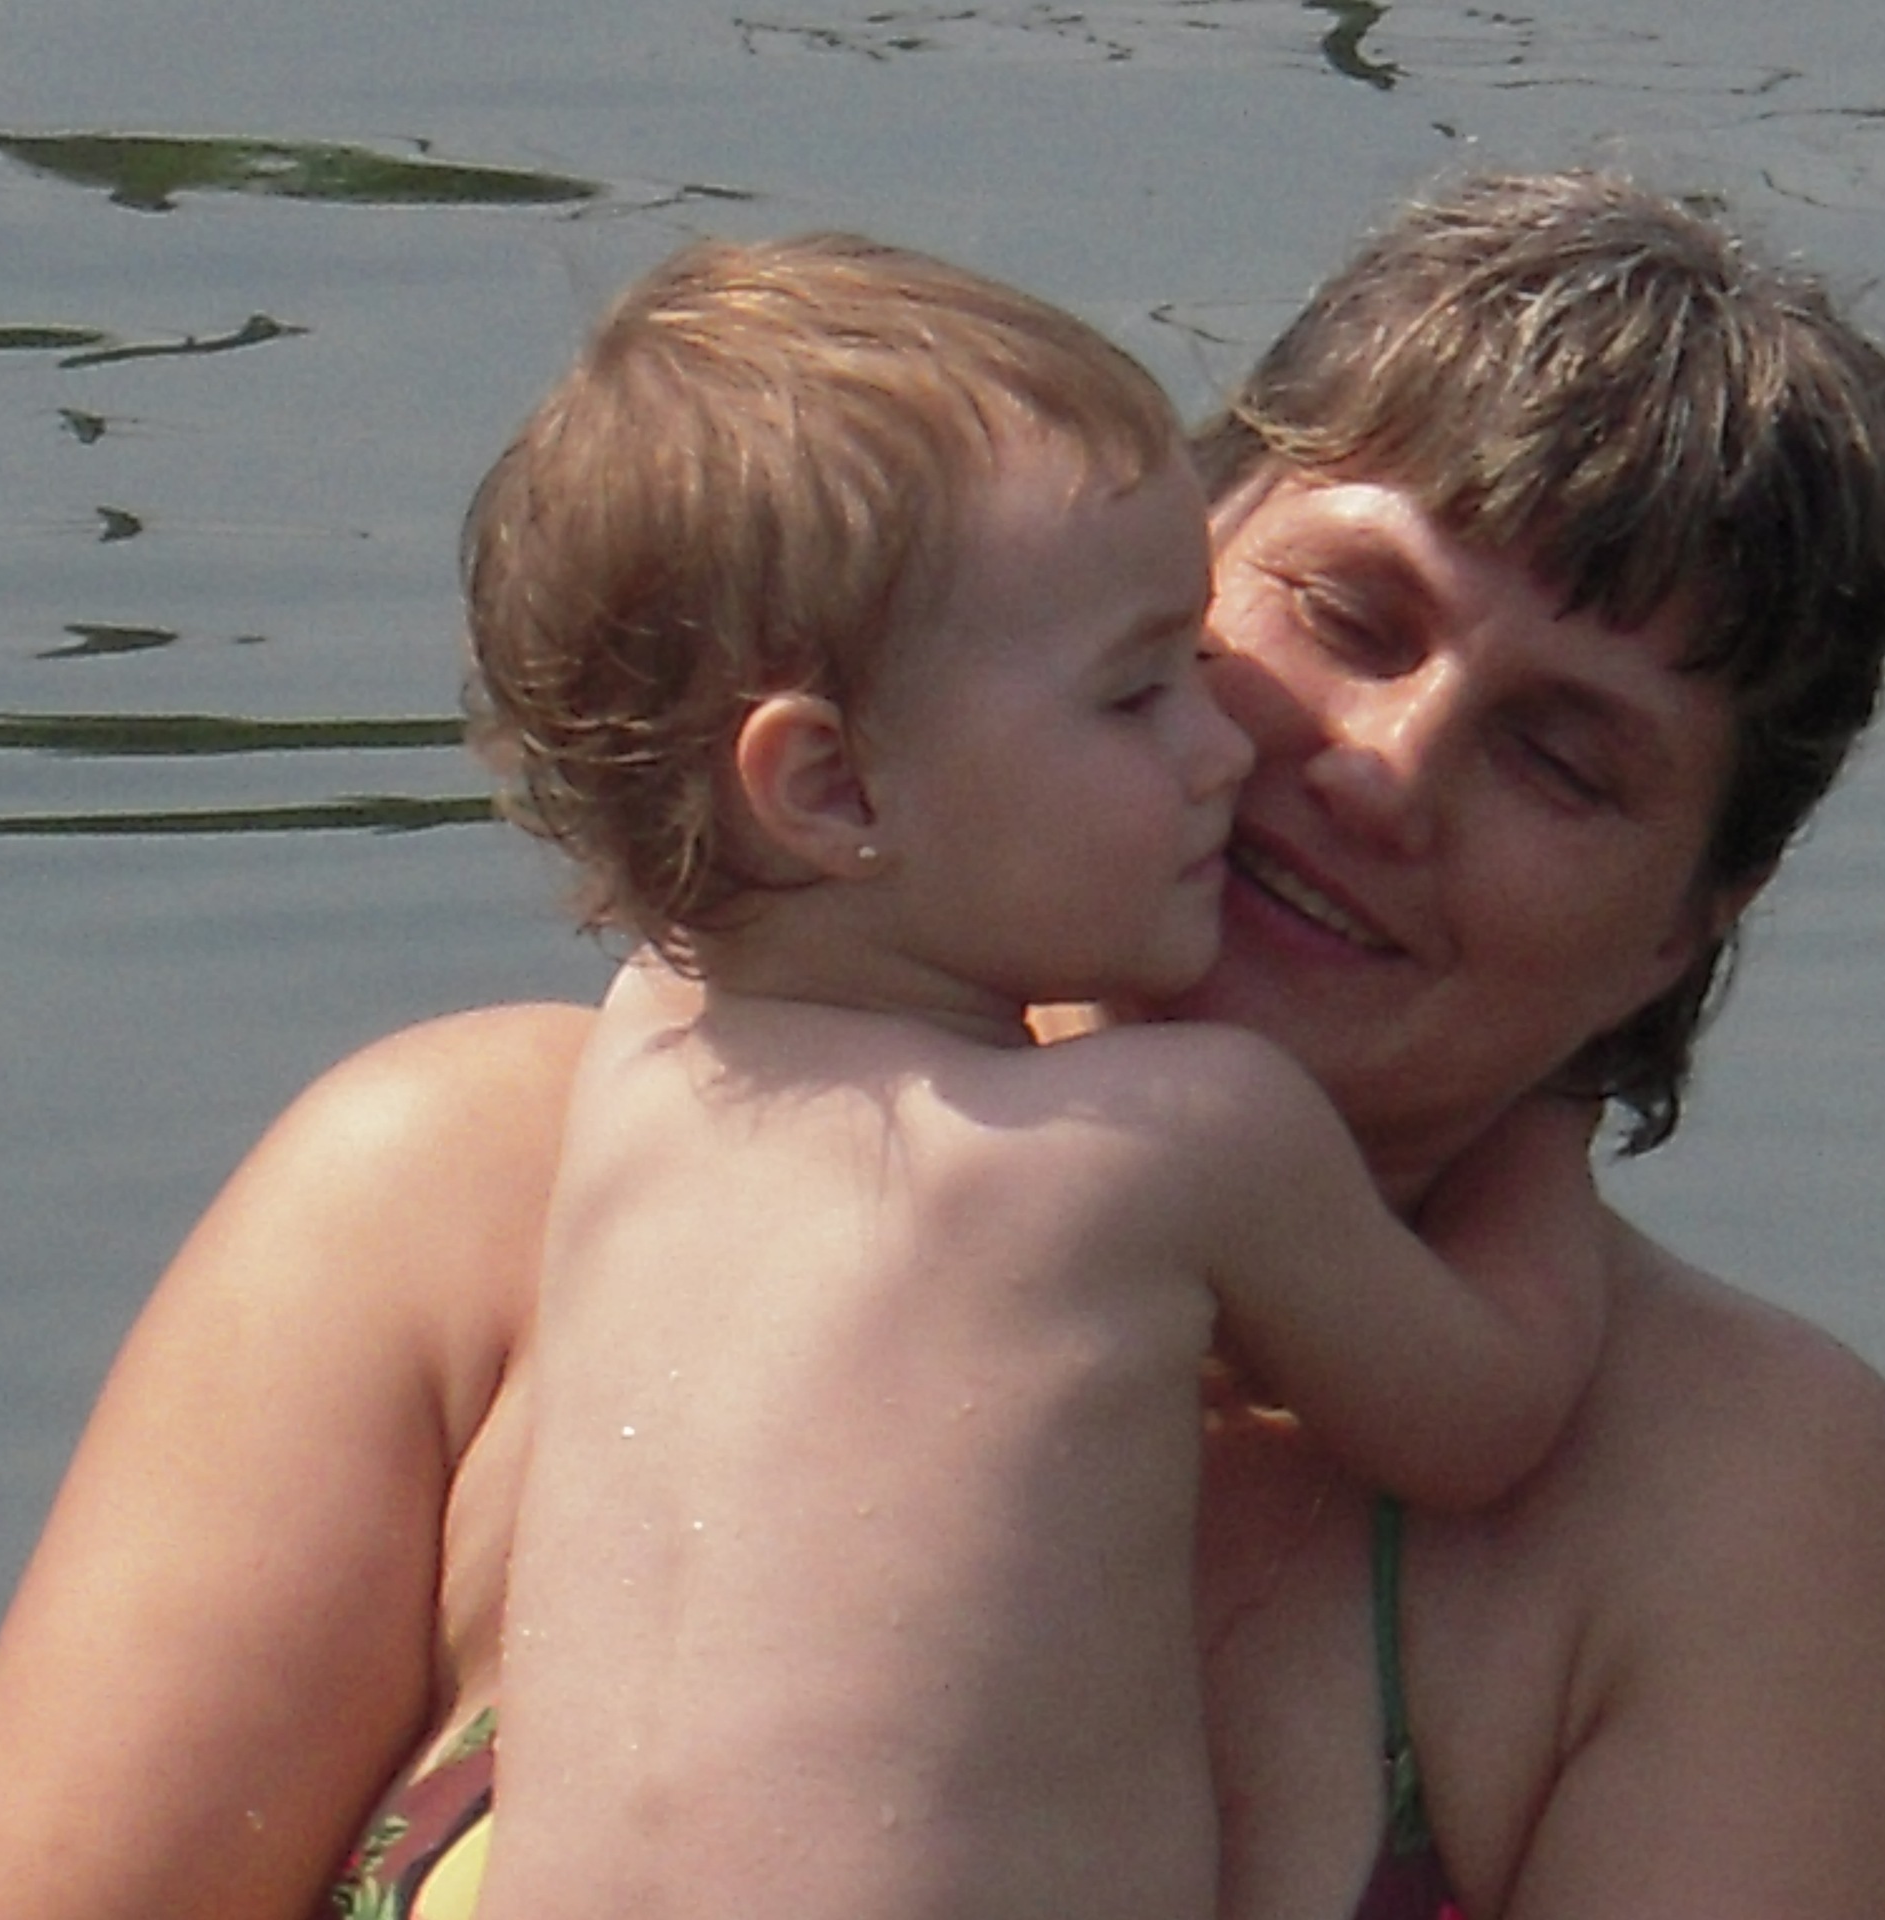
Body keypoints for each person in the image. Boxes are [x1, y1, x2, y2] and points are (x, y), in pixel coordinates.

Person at [0, 171, 1885, 1920]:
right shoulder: (446, 1209)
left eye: (1563, 759)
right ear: (1169, 557)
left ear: (1688, 920)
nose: (1377, 767)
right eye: (1344, 616)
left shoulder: (1734, 1507)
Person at [451, 231, 1602, 1920]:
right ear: (832, 789)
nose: (1227, 748)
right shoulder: (1182, 1141)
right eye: (1136, 696)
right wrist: (1555, 1124)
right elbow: (1485, 1415)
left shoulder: (640, 1057)